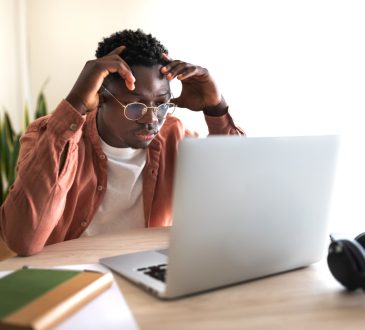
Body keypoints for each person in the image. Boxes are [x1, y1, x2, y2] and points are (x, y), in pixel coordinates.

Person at [0, 29, 244, 256]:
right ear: (100, 96)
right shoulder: (47, 134)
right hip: (68, 275)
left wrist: (216, 108)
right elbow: (23, 240)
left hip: (143, 270)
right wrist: (76, 103)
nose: (151, 119)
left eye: (161, 105)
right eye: (135, 106)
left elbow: (238, 201)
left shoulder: (175, 138)